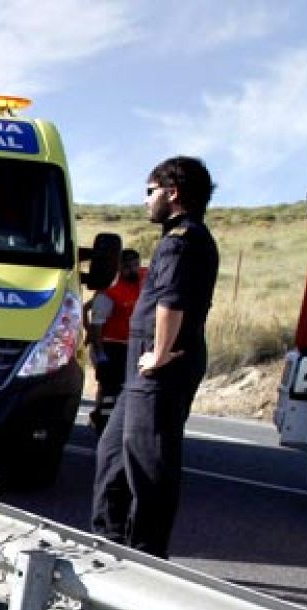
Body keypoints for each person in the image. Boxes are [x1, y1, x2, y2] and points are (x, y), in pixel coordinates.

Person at [91, 157, 219, 559]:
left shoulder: (184, 239)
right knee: (113, 453)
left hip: (159, 365)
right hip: (144, 365)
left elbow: (171, 303)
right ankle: (107, 543)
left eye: (151, 191)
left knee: (149, 460)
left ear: (173, 192)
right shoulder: (176, 237)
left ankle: (145, 555)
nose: (147, 201)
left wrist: (159, 355)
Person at [85, 248, 147, 436]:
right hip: (110, 346)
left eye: (136, 265)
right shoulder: (109, 293)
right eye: (127, 267)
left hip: (134, 346)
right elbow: (96, 327)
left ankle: (106, 419)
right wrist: (100, 354)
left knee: (127, 388)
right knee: (109, 389)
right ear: (118, 268)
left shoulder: (143, 280)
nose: (133, 270)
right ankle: (103, 425)